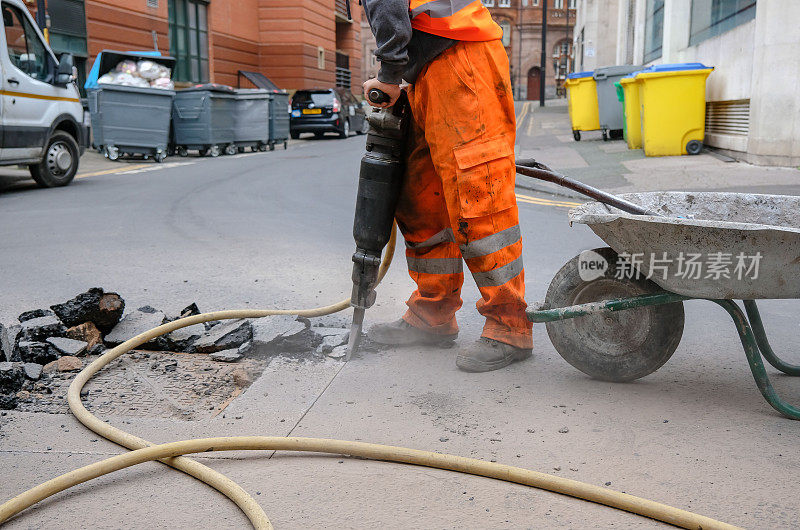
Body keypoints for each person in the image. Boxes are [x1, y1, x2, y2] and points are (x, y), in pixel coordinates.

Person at [362, 0, 533, 372]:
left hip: (461, 60)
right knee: (420, 199)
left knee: (478, 195)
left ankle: (509, 324)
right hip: (428, 73)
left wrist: (389, 74)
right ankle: (433, 312)